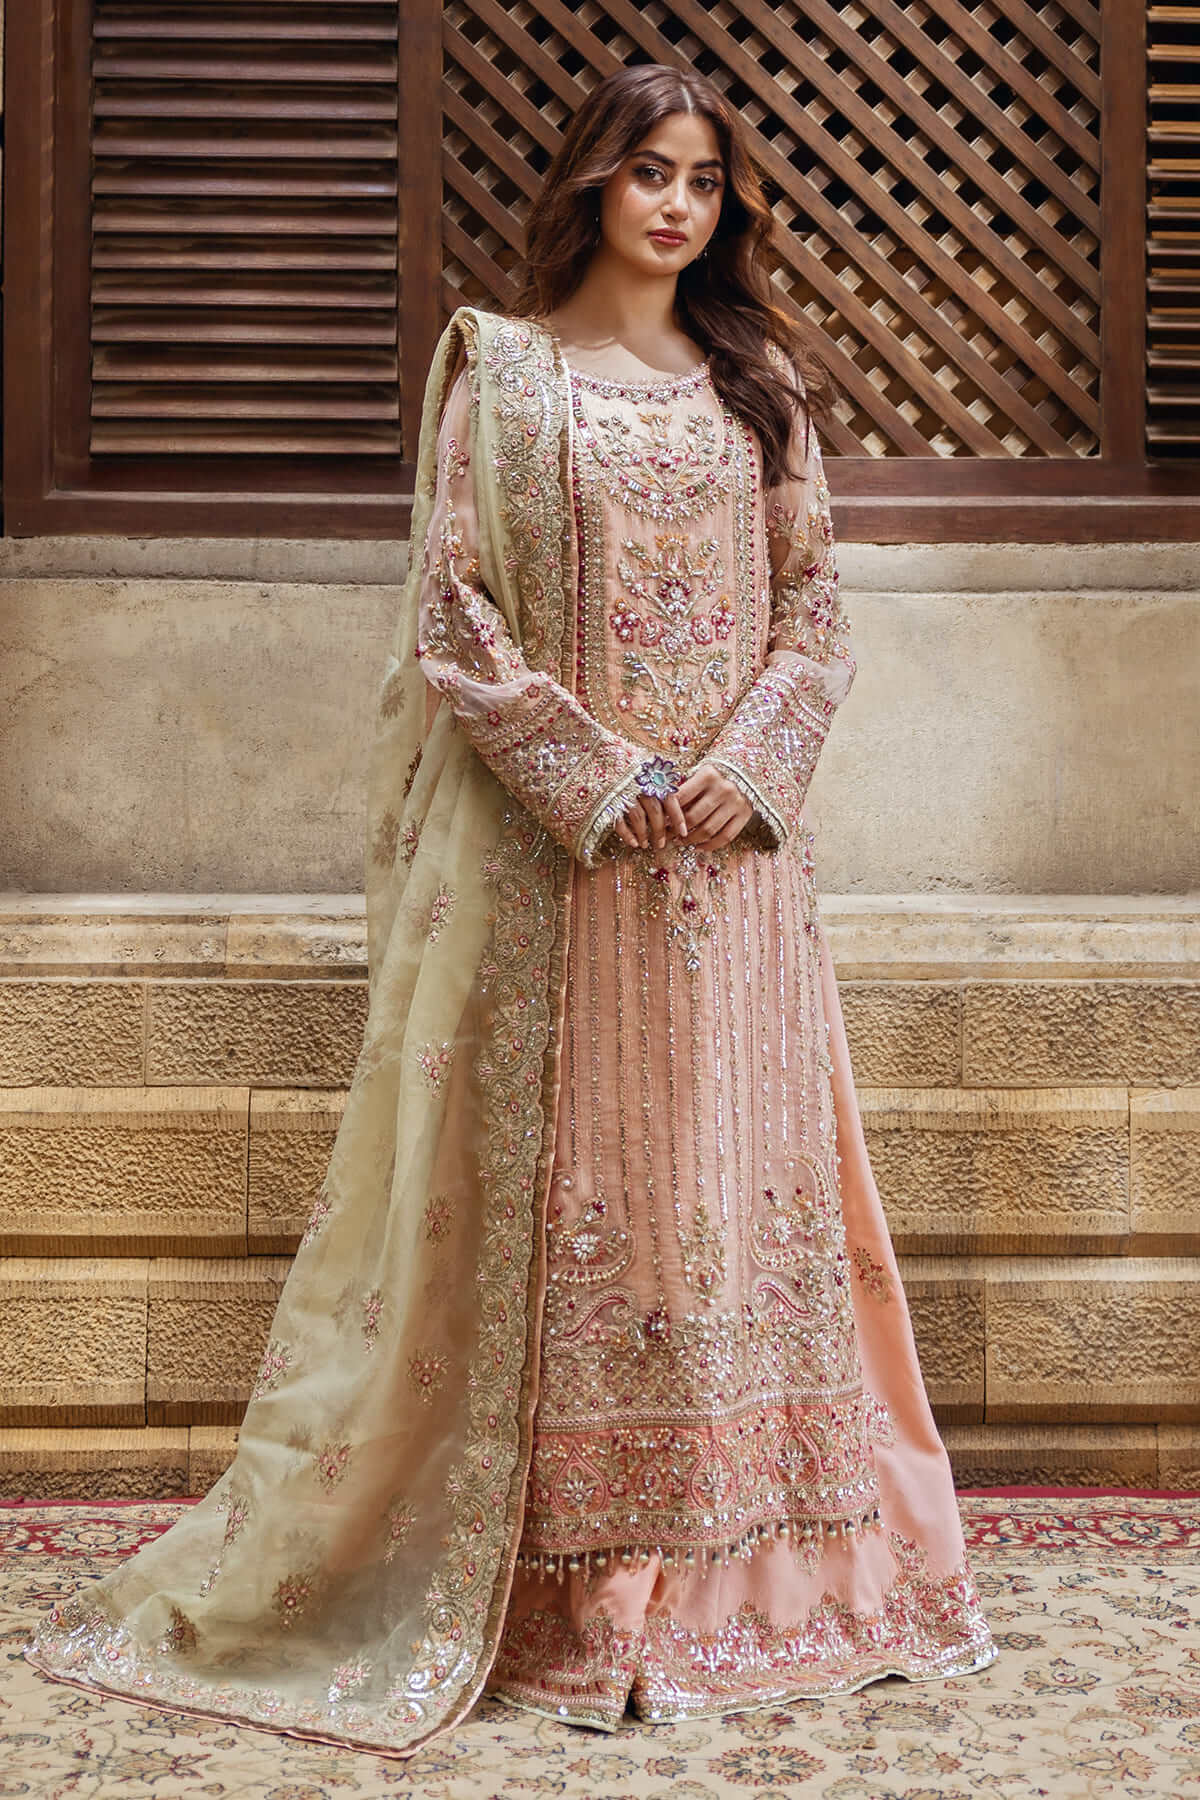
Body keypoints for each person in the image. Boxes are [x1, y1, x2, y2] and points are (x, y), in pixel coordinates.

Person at [24, 62, 995, 1753]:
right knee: (592, 1193)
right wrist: (607, 781)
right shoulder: (508, 375)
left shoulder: (760, 386)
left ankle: (739, 1574)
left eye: (703, 178)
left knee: (728, 1179)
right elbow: (457, 619)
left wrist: (752, 766)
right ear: (593, 187)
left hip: (740, 879)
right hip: (570, 876)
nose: (678, 204)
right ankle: (580, 1589)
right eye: (648, 173)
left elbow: (818, 609)